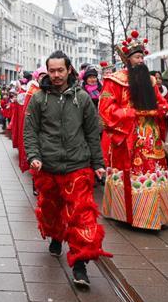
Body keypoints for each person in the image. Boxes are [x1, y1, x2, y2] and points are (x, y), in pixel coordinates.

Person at [24, 51, 111, 288]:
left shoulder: (82, 98)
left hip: (77, 165)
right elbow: (30, 131)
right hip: (48, 166)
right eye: (51, 71)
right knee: (51, 209)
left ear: (69, 69)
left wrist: (98, 163)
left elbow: (93, 133)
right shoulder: (38, 98)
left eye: (60, 70)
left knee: (81, 215)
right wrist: (34, 156)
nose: (56, 75)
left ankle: (80, 264)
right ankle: (55, 235)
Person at [98, 30, 168, 230]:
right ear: (127, 59)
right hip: (129, 134)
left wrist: (166, 111)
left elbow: (161, 102)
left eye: (142, 57)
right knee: (133, 174)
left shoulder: (150, 81)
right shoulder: (115, 80)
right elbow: (105, 109)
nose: (140, 60)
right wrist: (131, 112)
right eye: (136, 57)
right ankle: (130, 215)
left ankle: (153, 215)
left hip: (151, 134)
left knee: (153, 173)